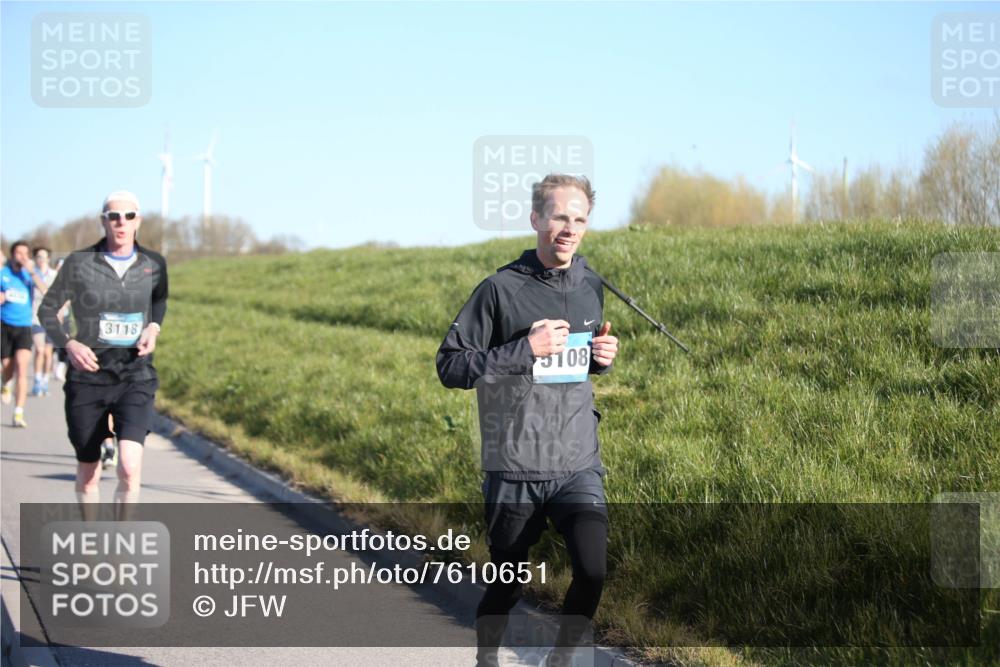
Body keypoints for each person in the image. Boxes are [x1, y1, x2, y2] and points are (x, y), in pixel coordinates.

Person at [436, 174, 619, 667]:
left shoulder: (591, 285)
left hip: (576, 459)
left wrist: (600, 357)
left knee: (593, 569)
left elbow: (574, 362)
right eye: (559, 216)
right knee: (507, 582)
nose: (569, 228)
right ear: (536, 218)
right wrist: (523, 349)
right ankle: (487, 658)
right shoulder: (499, 289)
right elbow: (450, 366)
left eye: (579, 219)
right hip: (514, 464)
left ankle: (559, 661)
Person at [38, 191, 168, 521]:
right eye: (113, 216)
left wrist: (153, 326)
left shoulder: (154, 264)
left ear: (138, 220)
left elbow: (159, 301)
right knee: (89, 469)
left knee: (128, 465)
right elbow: (48, 310)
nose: (121, 222)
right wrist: (69, 344)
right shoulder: (79, 263)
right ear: (103, 221)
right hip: (88, 378)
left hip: (134, 376)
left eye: (128, 215)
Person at [2, 240, 49, 426]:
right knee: (8, 367)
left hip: (24, 327)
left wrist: (31, 272)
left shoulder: (30, 275)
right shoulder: (3, 274)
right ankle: (5, 383)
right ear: (12, 255)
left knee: (22, 368)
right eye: (18, 253)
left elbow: (46, 291)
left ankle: (18, 412)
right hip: (4, 326)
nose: (22, 257)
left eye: (25, 253)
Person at [30, 247, 59, 396]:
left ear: (48, 259)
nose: (41, 259)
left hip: (51, 317)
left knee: (48, 353)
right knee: (39, 350)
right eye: (38, 257)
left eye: (43, 257)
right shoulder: (30, 275)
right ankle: (36, 379)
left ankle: (45, 381)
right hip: (35, 316)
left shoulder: (54, 275)